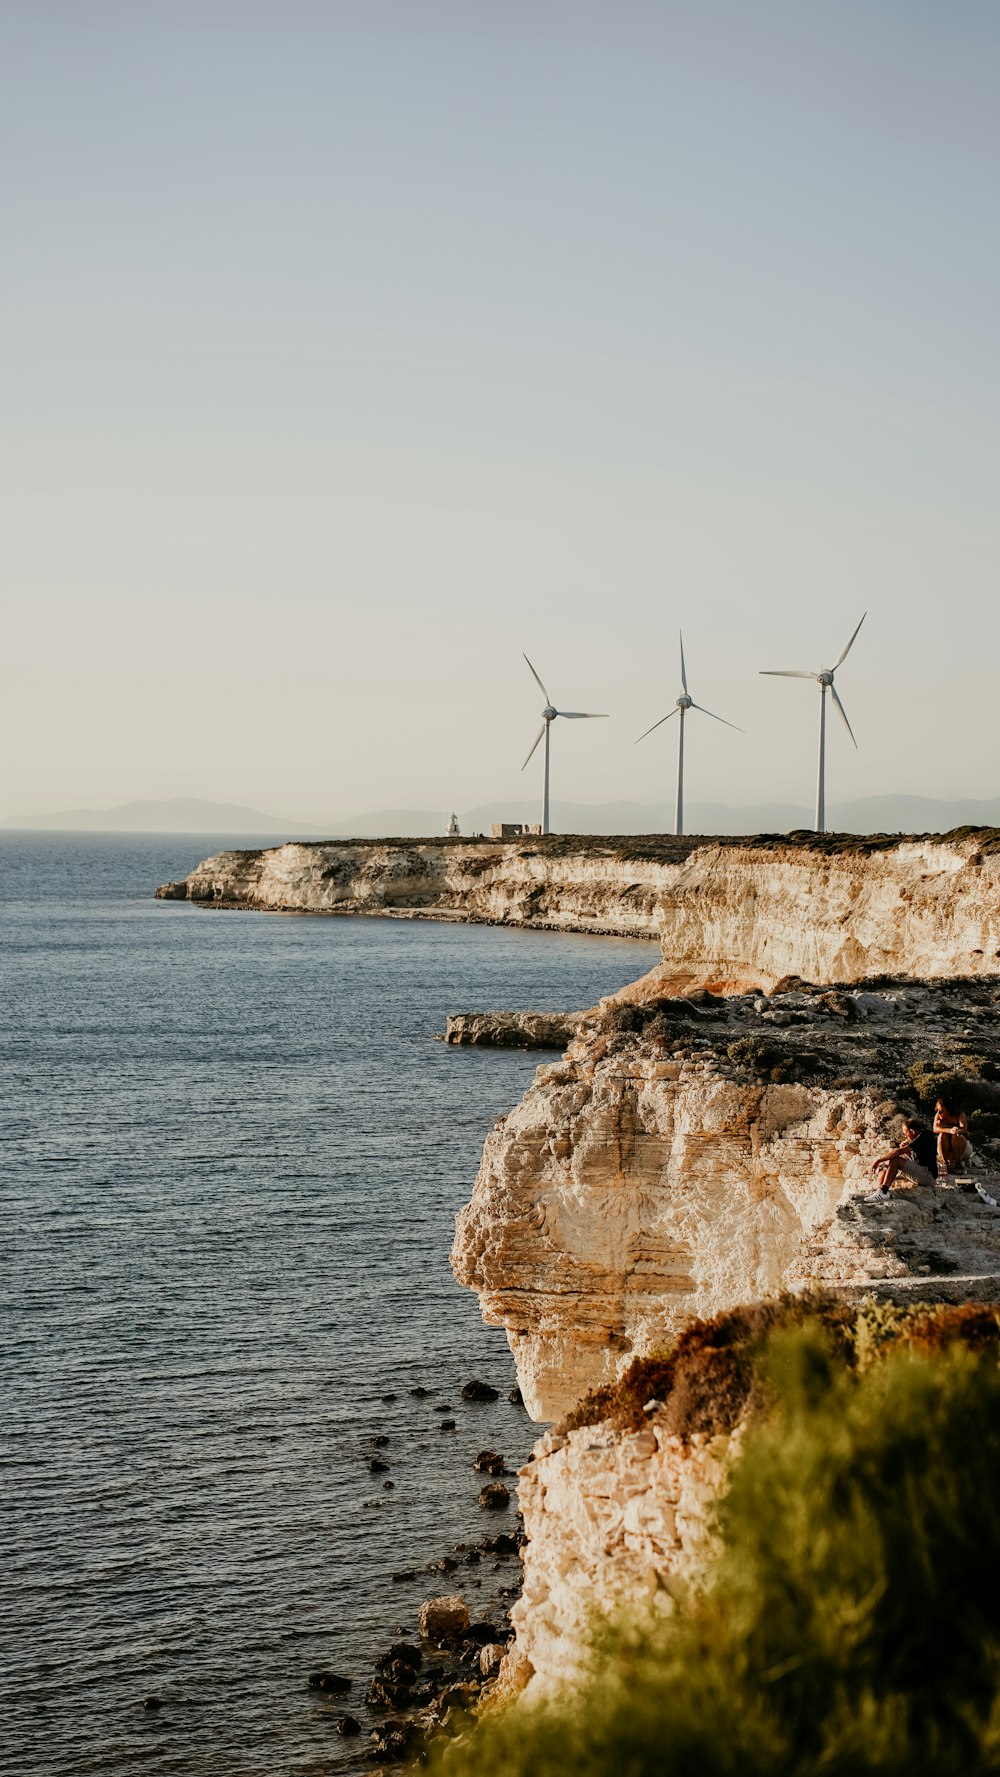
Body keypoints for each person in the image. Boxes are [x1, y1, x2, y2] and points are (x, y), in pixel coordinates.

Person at [869, 1116, 939, 1195]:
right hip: (922, 1172)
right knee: (885, 1170)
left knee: (895, 1161)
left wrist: (878, 1160)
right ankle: (878, 1191)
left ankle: (883, 1192)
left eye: (906, 1133)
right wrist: (906, 1151)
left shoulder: (923, 1137)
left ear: (912, 1131)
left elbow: (898, 1152)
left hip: (928, 1175)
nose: (906, 1136)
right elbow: (915, 1161)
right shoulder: (920, 1139)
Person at [934, 1096, 969, 1176]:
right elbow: (935, 1129)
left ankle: (958, 1163)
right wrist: (949, 1130)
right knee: (942, 1135)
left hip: (960, 1148)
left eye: (942, 1111)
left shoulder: (959, 1114)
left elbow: (964, 1129)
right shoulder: (938, 1116)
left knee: (956, 1136)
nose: (939, 1113)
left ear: (949, 1110)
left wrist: (957, 1130)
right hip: (945, 1148)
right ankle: (946, 1163)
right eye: (938, 1110)